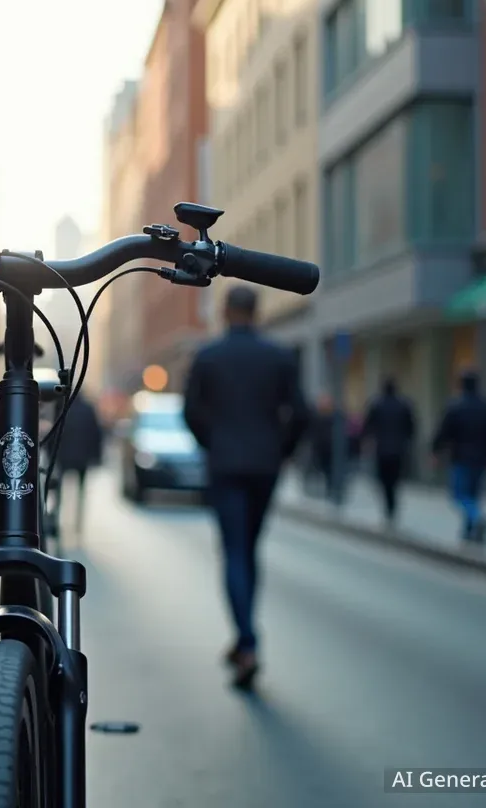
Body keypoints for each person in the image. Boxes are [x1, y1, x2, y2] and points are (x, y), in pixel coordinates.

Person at [183, 285, 310, 689]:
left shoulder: (208, 356)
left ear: (225, 312)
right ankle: (245, 638)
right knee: (249, 549)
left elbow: (190, 413)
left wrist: (213, 443)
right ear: (257, 312)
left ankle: (247, 641)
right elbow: (302, 413)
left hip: (225, 464)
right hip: (264, 466)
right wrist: (281, 449)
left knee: (235, 552)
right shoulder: (278, 356)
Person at [431, 371, 486, 543]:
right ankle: (469, 530)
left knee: (459, 495)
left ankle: (477, 518)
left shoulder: (455, 407)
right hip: (481, 458)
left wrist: (435, 451)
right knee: (473, 494)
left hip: (461, 458)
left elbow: (443, 432)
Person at [361, 378, 416, 527]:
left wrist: (367, 442)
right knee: (394, 480)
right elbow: (411, 427)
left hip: (382, 450)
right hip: (399, 450)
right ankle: (392, 506)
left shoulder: (377, 404)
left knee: (384, 481)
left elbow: (367, 426)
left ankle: (389, 507)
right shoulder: (404, 405)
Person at [53, 393, 104, 538]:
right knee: (80, 491)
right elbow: (96, 434)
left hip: (63, 456)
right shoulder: (88, 409)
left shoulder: (62, 407)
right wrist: (96, 457)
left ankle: (57, 518)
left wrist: (52, 453)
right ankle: (77, 523)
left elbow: (54, 431)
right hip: (83, 457)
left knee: (59, 490)